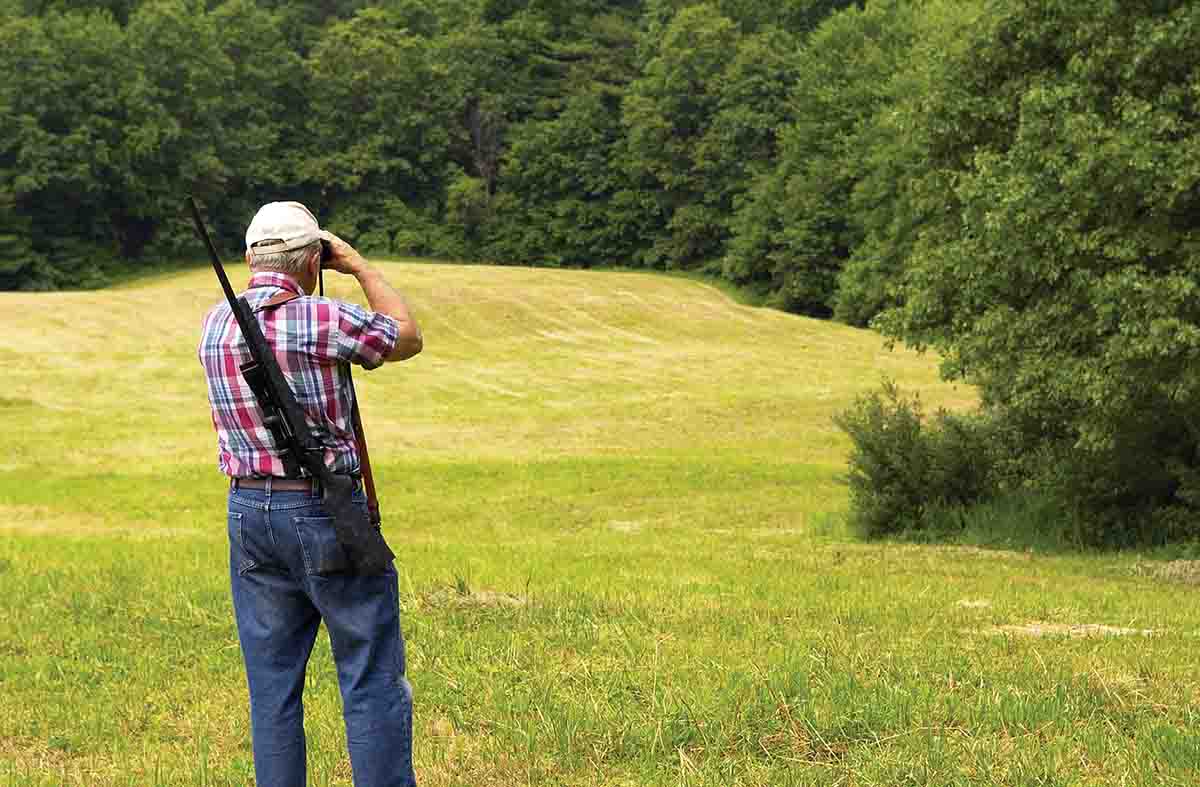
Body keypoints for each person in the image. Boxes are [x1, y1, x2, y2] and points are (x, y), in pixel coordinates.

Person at [198, 201, 422, 787]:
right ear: (313, 259)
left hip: (247, 510)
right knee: (370, 676)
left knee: (272, 690)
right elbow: (407, 337)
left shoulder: (215, 323)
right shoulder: (323, 318)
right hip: (324, 512)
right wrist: (362, 268)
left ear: (250, 257)